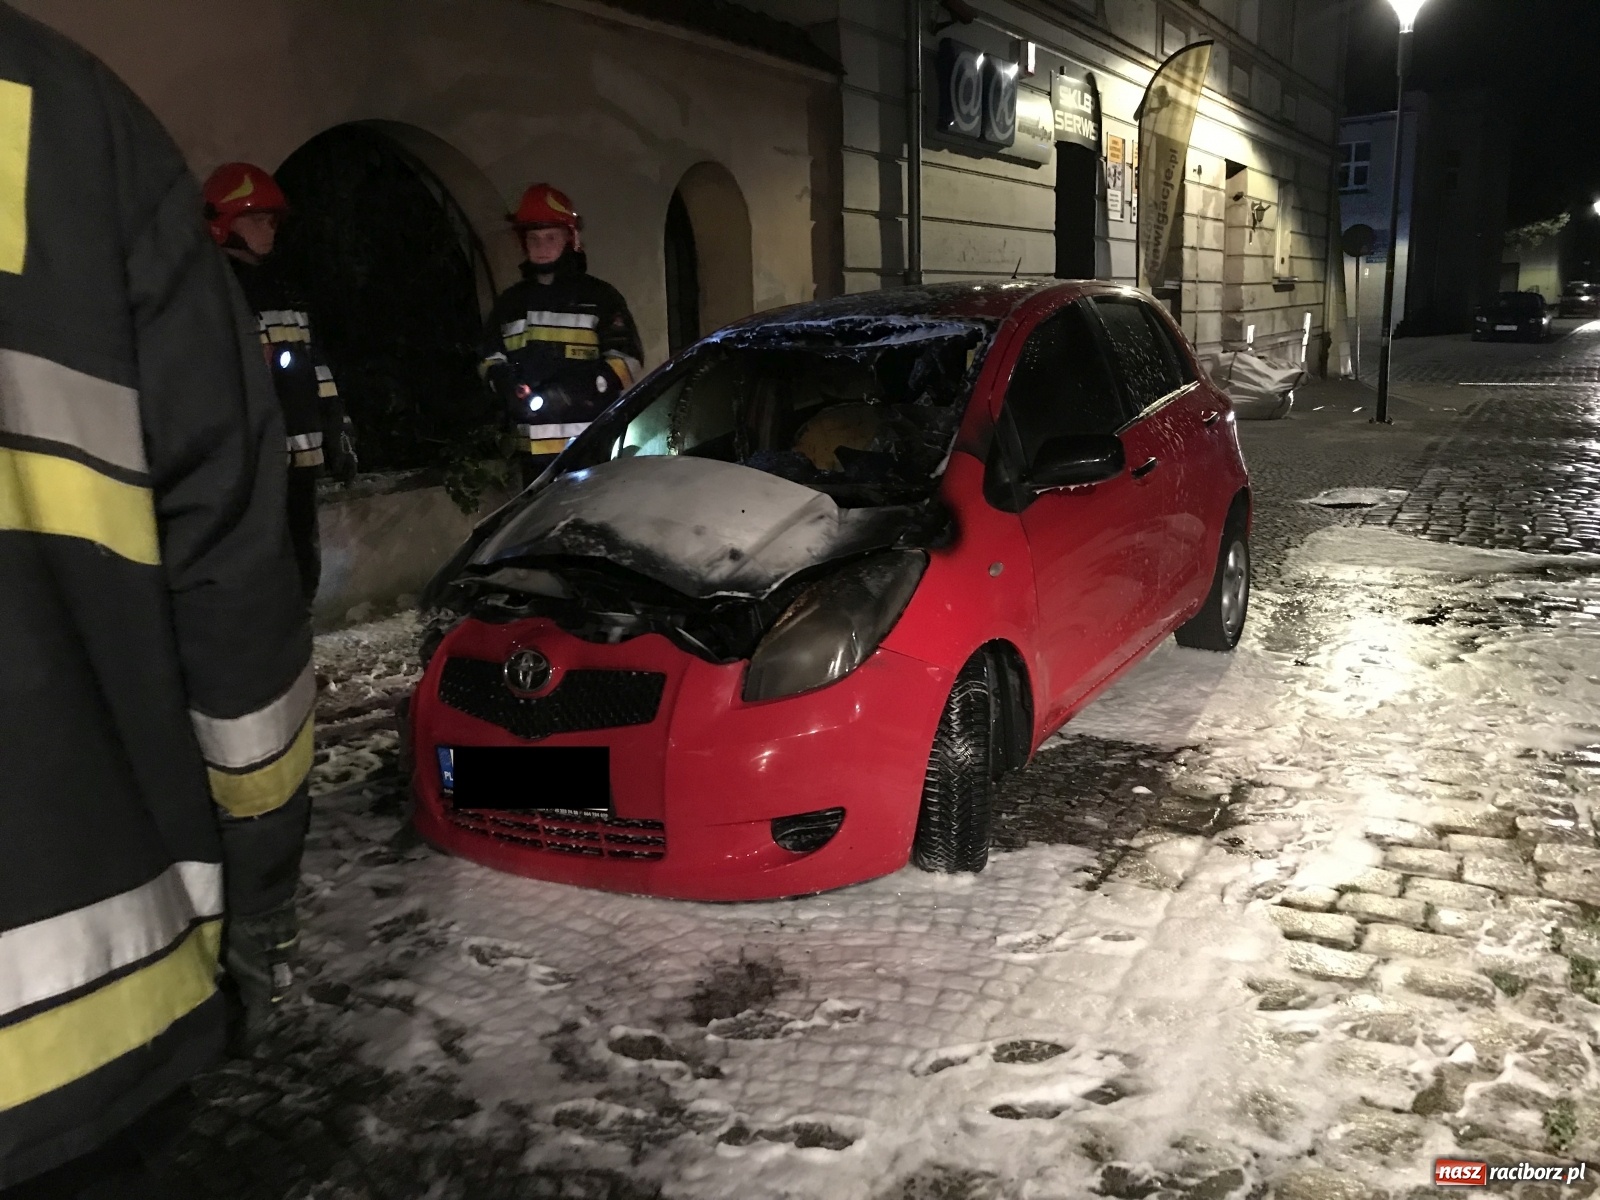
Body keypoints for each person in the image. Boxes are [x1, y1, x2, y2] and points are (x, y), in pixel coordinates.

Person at [0, 6, 315, 1193]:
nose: (258, 231)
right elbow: (231, 582)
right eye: (249, 219)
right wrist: (257, 911)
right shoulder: (68, 122)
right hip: (81, 1018)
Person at [202, 160, 356, 602]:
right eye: (258, 219)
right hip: (247, 466)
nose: (270, 229)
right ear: (225, 223)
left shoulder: (286, 291)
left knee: (301, 569)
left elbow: (316, 365)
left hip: (299, 461)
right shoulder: (209, 293)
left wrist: (337, 422)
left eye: (272, 220)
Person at [480, 183, 643, 484]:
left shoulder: (600, 298)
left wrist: (573, 393)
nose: (541, 248)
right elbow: (489, 357)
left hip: (589, 449)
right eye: (533, 238)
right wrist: (503, 382)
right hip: (529, 461)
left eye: (551, 238)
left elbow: (627, 361)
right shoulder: (510, 303)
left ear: (571, 239)